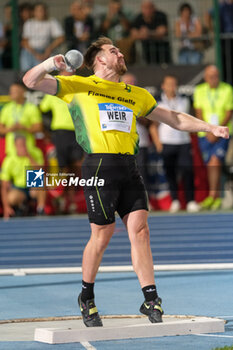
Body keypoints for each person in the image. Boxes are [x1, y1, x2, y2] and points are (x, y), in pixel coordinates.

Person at [22, 36, 229, 327]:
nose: (120, 53)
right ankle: (87, 297)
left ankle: (150, 297)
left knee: (140, 230)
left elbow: (173, 118)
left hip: (129, 166)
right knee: (102, 235)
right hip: (99, 167)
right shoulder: (78, 85)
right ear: (99, 60)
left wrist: (210, 127)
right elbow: (30, 81)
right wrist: (49, 64)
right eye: (112, 50)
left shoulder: (135, 93)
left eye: (118, 49)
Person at [153, 74, 200, 213]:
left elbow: (191, 120)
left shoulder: (184, 101)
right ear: (163, 86)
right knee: (170, 172)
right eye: (169, 84)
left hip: (183, 142)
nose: (172, 87)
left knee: (187, 171)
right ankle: (175, 200)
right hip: (166, 142)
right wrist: (157, 143)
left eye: (174, 84)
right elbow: (153, 125)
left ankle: (191, 200)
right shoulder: (158, 102)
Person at [40, 70, 84, 213]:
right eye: (65, 73)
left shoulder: (79, 91)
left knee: (77, 166)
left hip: (77, 132)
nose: (68, 75)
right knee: (63, 169)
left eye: (70, 73)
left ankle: (71, 200)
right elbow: (43, 109)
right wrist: (47, 133)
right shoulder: (53, 92)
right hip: (60, 133)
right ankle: (62, 199)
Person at [193, 65, 233, 210]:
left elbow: (229, 112)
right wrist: (208, 130)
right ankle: (214, 196)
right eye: (210, 76)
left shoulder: (227, 89)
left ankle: (213, 195)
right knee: (210, 163)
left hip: (222, 133)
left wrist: (217, 130)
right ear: (205, 77)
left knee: (215, 161)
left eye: (215, 76)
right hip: (205, 134)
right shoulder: (199, 90)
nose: (213, 79)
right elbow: (199, 111)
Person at [1, 134, 45, 218]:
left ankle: (41, 209)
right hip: (19, 188)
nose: (22, 147)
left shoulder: (35, 153)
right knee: (12, 197)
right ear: (15, 146)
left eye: (24, 144)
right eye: (20, 145)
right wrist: (6, 207)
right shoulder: (9, 160)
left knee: (42, 180)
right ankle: (22, 206)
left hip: (32, 185)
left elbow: (40, 172)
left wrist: (29, 157)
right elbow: (4, 186)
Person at [0, 82, 43, 164]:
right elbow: (1, 129)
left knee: (35, 176)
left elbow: (39, 128)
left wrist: (24, 128)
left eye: (14, 91)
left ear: (23, 92)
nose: (11, 93)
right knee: (6, 176)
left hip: (28, 151)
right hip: (11, 153)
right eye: (11, 91)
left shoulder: (31, 108)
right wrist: (10, 129)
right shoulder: (7, 108)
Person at [20, 1, 64, 71]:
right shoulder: (29, 23)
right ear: (34, 12)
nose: (41, 12)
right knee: (26, 71)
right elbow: (24, 42)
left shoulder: (51, 21)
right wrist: (35, 54)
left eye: (43, 10)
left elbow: (61, 38)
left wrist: (49, 49)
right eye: (39, 10)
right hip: (30, 52)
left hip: (45, 51)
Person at [205, 0, 233, 85]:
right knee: (226, 64)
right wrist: (211, 31)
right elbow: (207, 15)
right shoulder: (222, 6)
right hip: (225, 40)